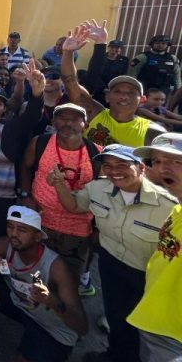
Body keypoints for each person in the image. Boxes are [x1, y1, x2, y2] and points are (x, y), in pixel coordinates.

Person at [50, 144, 176, 362]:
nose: (114, 171)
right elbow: (74, 206)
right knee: (115, 316)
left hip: (146, 276)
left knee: (144, 328)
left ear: (141, 168)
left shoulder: (168, 205)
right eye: (107, 165)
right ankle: (116, 355)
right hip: (111, 265)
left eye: (122, 165)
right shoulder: (98, 189)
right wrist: (60, 184)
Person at [0, 206, 88, 362]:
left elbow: (82, 326)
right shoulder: (5, 244)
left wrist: (52, 301)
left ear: (38, 236)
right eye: (10, 227)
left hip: (51, 328)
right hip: (20, 305)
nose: (14, 234)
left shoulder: (56, 268)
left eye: (22, 230)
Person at [17, 103, 102, 296]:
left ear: (85, 124)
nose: (68, 123)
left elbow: (102, 193)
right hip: (41, 221)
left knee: (68, 283)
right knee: (36, 273)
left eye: (75, 119)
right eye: (63, 118)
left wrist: (98, 227)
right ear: (53, 121)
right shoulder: (40, 143)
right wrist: (25, 195)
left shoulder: (96, 153)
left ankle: (60, 319)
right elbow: (25, 166)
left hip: (77, 229)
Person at [60, 21, 165, 147]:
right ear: (107, 96)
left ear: (142, 100)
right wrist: (67, 52)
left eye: (131, 93)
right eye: (117, 91)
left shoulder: (153, 132)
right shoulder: (93, 113)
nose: (124, 96)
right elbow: (70, 82)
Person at [127, 133, 182, 361]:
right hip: (152, 318)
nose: (162, 168)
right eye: (157, 161)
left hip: (174, 335)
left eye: (175, 161)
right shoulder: (177, 209)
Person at [129, 35, 181, 100]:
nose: (160, 45)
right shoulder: (142, 57)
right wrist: (131, 87)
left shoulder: (172, 58)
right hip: (145, 87)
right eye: (157, 43)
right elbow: (132, 73)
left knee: (160, 109)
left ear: (167, 45)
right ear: (152, 44)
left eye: (163, 43)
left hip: (164, 88)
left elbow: (177, 75)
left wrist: (178, 89)